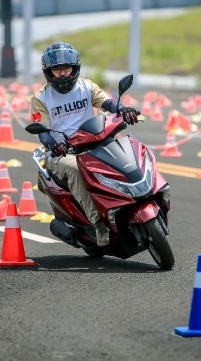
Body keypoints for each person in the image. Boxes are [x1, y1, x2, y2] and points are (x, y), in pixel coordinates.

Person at [30, 42, 139, 247]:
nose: (62, 74)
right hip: (61, 152)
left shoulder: (87, 87)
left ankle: (134, 200)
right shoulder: (41, 98)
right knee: (76, 168)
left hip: (92, 141)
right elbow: (42, 130)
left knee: (126, 150)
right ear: (48, 72)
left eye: (66, 68)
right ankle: (98, 225)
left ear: (75, 67)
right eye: (56, 69)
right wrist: (54, 144)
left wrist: (124, 109)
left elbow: (108, 103)